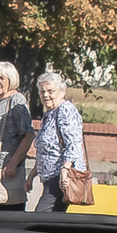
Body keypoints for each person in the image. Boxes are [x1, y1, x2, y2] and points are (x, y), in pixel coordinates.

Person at [0, 59, 34, 211]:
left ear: (11, 80)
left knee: (2, 217)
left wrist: (13, 163)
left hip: (4, 173)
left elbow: (28, 135)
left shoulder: (16, 101)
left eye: (1, 78)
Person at [32, 70, 86, 212]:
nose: (45, 95)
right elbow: (46, 148)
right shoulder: (50, 113)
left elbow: (73, 144)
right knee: (52, 218)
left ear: (62, 91)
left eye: (50, 91)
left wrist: (65, 169)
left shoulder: (65, 110)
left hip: (61, 176)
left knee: (41, 216)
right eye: (42, 91)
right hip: (50, 177)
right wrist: (32, 175)